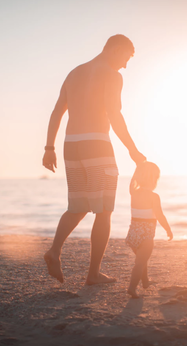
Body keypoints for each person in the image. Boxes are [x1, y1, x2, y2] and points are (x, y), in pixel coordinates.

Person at [43, 34, 146, 285]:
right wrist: (132, 149)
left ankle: (54, 251)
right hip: (97, 145)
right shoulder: (112, 75)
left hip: (71, 146)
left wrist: (49, 147)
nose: (125, 65)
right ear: (116, 49)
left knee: (78, 207)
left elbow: (58, 111)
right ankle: (93, 275)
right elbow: (114, 114)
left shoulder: (74, 73)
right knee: (104, 210)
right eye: (126, 58)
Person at [126, 161, 173, 298]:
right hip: (146, 235)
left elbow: (132, 181)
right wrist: (168, 229)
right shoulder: (154, 196)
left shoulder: (133, 192)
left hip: (133, 234)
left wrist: (137, 168)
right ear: (154, 180)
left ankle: (145, 282)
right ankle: (132, 287)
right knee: (140, 263)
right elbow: (160, 215)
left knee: (142, 259)